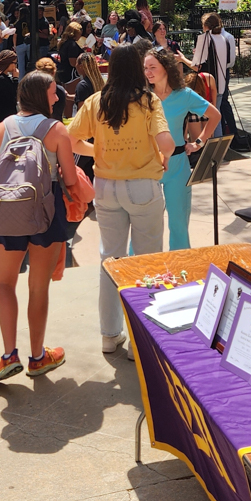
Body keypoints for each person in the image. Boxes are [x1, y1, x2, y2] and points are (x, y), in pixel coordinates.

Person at [68, 44, 174, 355]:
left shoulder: (95, 101)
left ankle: (109, 334)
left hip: (106, 188)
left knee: (109, 260)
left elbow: (73, 140)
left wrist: (97, 150)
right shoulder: (148, 101)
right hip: (143, 187)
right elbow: (166, 144)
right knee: (147, 262)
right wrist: (160, 154)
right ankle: (140, 339)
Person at [0, 70, 77, 383]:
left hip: (8, 214)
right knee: (38, 287)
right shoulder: (56, 130)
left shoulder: (2, 129)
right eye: (53, 92)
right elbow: (71, 179)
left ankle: (9, 355)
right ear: (41, 95)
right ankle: (38, 358)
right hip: (45, 215)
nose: (56, 97)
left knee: (4, 284)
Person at [144, 47, 220, 249]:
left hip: (178, 165)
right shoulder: (141, 96)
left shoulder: (184, 95)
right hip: (147, 166)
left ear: (166, 68)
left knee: (178, 224)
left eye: (152, 67)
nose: (148, 72)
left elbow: (215, 116)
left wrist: (199, 142)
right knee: (147, 227)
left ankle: (180, 268)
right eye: (145, 68)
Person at [192, 13, 237, 136]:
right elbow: (229, 61)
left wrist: (182, 59)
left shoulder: (205, 38)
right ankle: (218, 147)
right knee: (216, 116)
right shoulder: (224, 38)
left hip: (207, 83)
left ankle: (206, 147)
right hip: (220, 84)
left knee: (208, 117)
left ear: (206, 26)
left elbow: (195, 65)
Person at [56, 20, 84, 84]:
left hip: (63, 71)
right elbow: (73, 63)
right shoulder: (72, 44)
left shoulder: (64, 43)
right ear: (77, 32)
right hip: (71, 75)